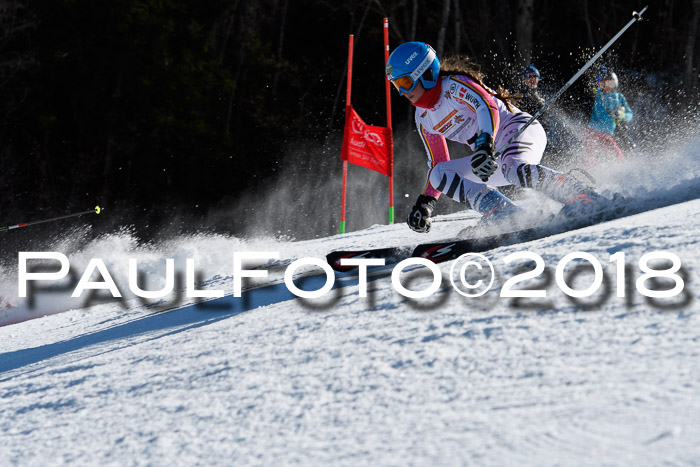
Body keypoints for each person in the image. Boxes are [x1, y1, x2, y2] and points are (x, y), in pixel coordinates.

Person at [385, 42, 613, 233]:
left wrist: (484, 144)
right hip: (492, 157)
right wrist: (426, 203)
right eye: (397, 86)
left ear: (425, 73)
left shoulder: (454, 86)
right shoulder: (423, 117)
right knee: (438, 173)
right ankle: (503, 213)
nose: (402, 92)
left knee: (513, 167)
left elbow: (488, 108)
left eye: (405, 83)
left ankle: (581, 196)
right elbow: (439, 161)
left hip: (520, 131)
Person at [582, 68, 633, 169]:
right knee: (589, 158)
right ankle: (582, 173)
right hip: (593, 132)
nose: (607, 88)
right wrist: (613, 116)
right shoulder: (599, 96)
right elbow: (600, 113)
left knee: (617, 156)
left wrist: (622, 116)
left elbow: (629, 114)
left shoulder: (620, 98)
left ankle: (621, 173)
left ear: (615, 84)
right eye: (604, 85)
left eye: (611, 84)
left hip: (606, 135)